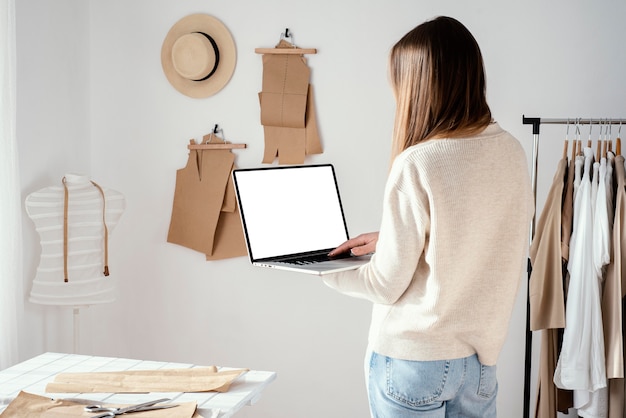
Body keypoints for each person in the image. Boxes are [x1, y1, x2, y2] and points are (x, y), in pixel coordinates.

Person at [323, 16, 533, 418]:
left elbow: (384, 285)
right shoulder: (511, 152)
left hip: (412, 362)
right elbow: (475, 235)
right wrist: (392, 239)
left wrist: (321, 272)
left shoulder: (418, 163)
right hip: (479, 367)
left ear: (419, 88)